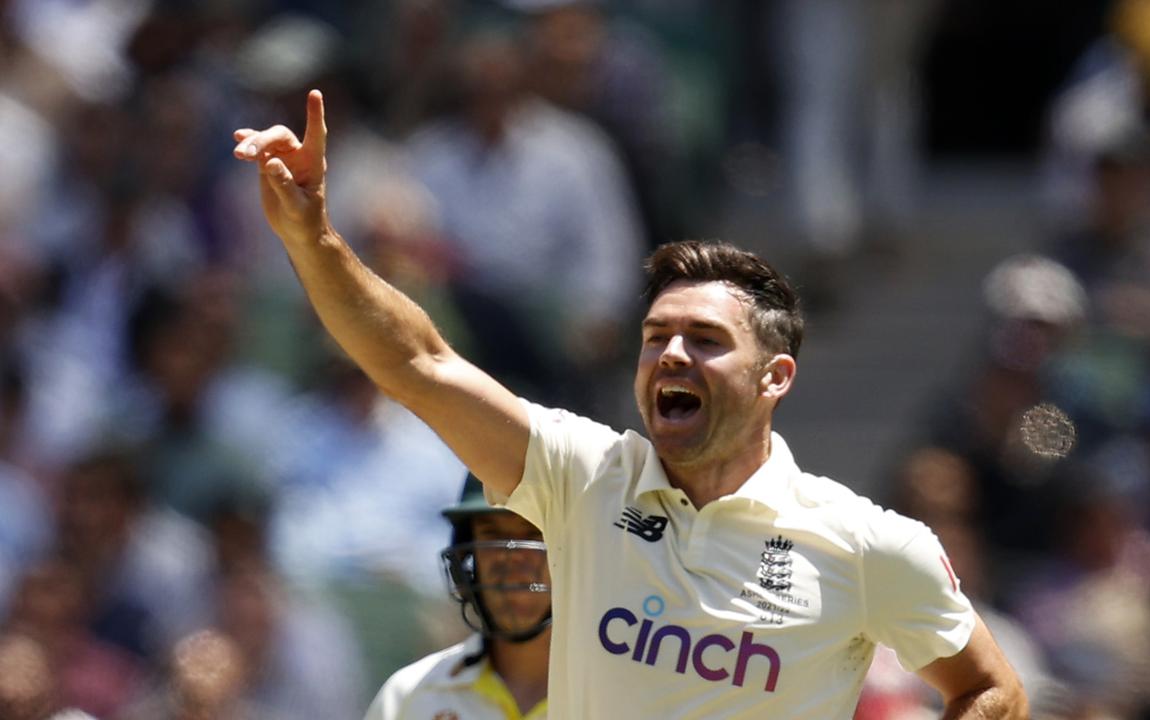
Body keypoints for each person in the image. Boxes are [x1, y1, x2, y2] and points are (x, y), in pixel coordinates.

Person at [232, 90, 1028, 718]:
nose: (672, 354)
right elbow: (419, 364)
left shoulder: (866, 546)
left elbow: (992, 690)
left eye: (705, 340)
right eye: (656, 336)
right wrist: (314, 239)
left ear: (775, 378)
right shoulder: (583, 478)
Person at [364, 477, 551, 720]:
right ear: (466, 556)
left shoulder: (612, 687)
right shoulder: (409, 695)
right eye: (493, 534)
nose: (512, 558)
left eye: (533, 533)